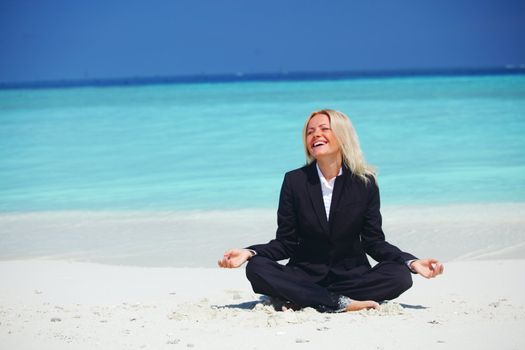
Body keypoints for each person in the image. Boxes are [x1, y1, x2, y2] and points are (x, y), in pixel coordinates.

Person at [218, 109, 444, 312]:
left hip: (352, 278)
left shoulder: (364, 183)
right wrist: (249, 252)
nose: (315, 135)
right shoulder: (294, 181)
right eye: (310, 132)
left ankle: (307, 300)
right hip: (304, 277)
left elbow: (374, 243)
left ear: (342, 135)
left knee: (400, 275)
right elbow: (285, 243)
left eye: (324, 129)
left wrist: (411, 262)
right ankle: (339, 303)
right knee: (257, 268)